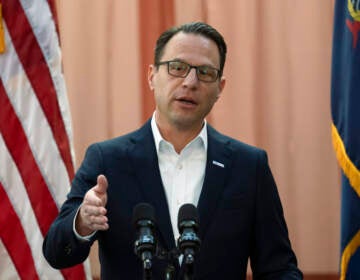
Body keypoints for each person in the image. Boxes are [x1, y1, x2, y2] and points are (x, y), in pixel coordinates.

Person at [43, 22, 303, 279]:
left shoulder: (249, 166)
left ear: (220, 88)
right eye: (177, 68)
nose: (190, 82)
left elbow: (278, 269)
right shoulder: (108, 160)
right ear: (152, 76)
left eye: (205, 72)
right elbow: (57, 253)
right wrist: (82, 223)